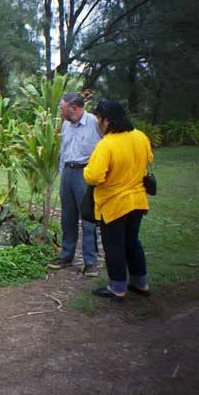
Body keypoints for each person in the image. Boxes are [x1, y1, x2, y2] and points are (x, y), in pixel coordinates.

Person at [84, 100, 153, 301]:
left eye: (98, 119)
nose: (97, 123)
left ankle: (117, 288)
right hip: (138, 201)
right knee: (132, 242)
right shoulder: (140, 136)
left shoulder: (107, 144)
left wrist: (87, 170)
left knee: (114, 245)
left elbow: (94, 176)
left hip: (114, 204)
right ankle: (141, 283)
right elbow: (149, 157)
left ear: (107, 121)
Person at [48, 92, 102, 276]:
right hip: (68, 173)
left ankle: (91, 261)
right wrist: (63, 173)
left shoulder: (95, 123)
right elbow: (64, 149)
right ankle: (66, 255)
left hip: (86, 172)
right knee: (67, 216)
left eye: (62, 108)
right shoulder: (66, 124)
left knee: (87, 217)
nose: (61, 112)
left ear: (74, 108)